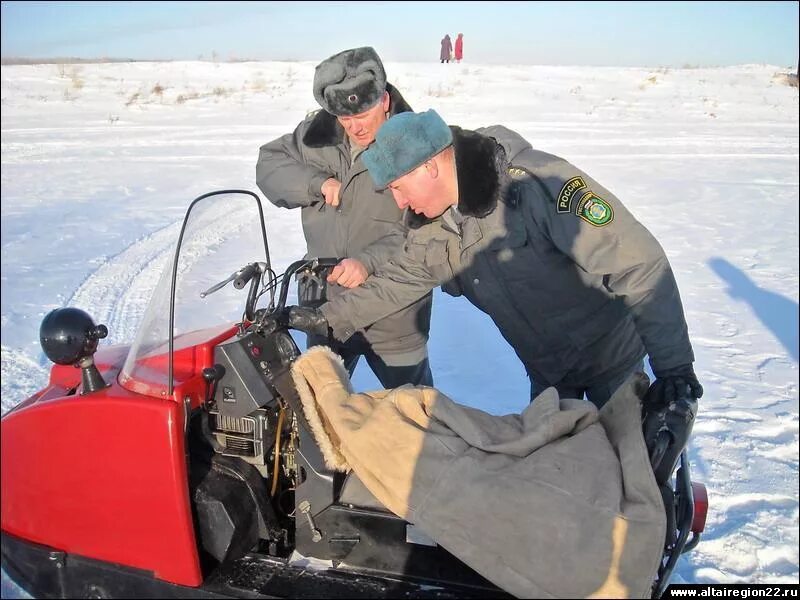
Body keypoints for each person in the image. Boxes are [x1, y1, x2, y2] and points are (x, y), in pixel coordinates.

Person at [288, 109, 703, 410]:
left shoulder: (536, 186)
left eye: (398, 187)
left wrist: (674, 367)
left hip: (612, 363)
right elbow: (399, 280)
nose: (399, 201)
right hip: (550, 377)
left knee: (631, 484)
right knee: (556, 487)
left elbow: (638, 262)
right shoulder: (433, 225)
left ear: (429, 166)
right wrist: (326, 318)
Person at [256, 48, 434, 388]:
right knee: (315, 419)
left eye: (362, 114)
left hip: (393, 316)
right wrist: (315, 183)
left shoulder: (417, 144)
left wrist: (367, 262)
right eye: (344, 117)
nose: (354, 127)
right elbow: (268, 165)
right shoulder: (314, 135)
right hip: (325, 307)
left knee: (418, 415)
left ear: (384, 99)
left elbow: (427, 236)